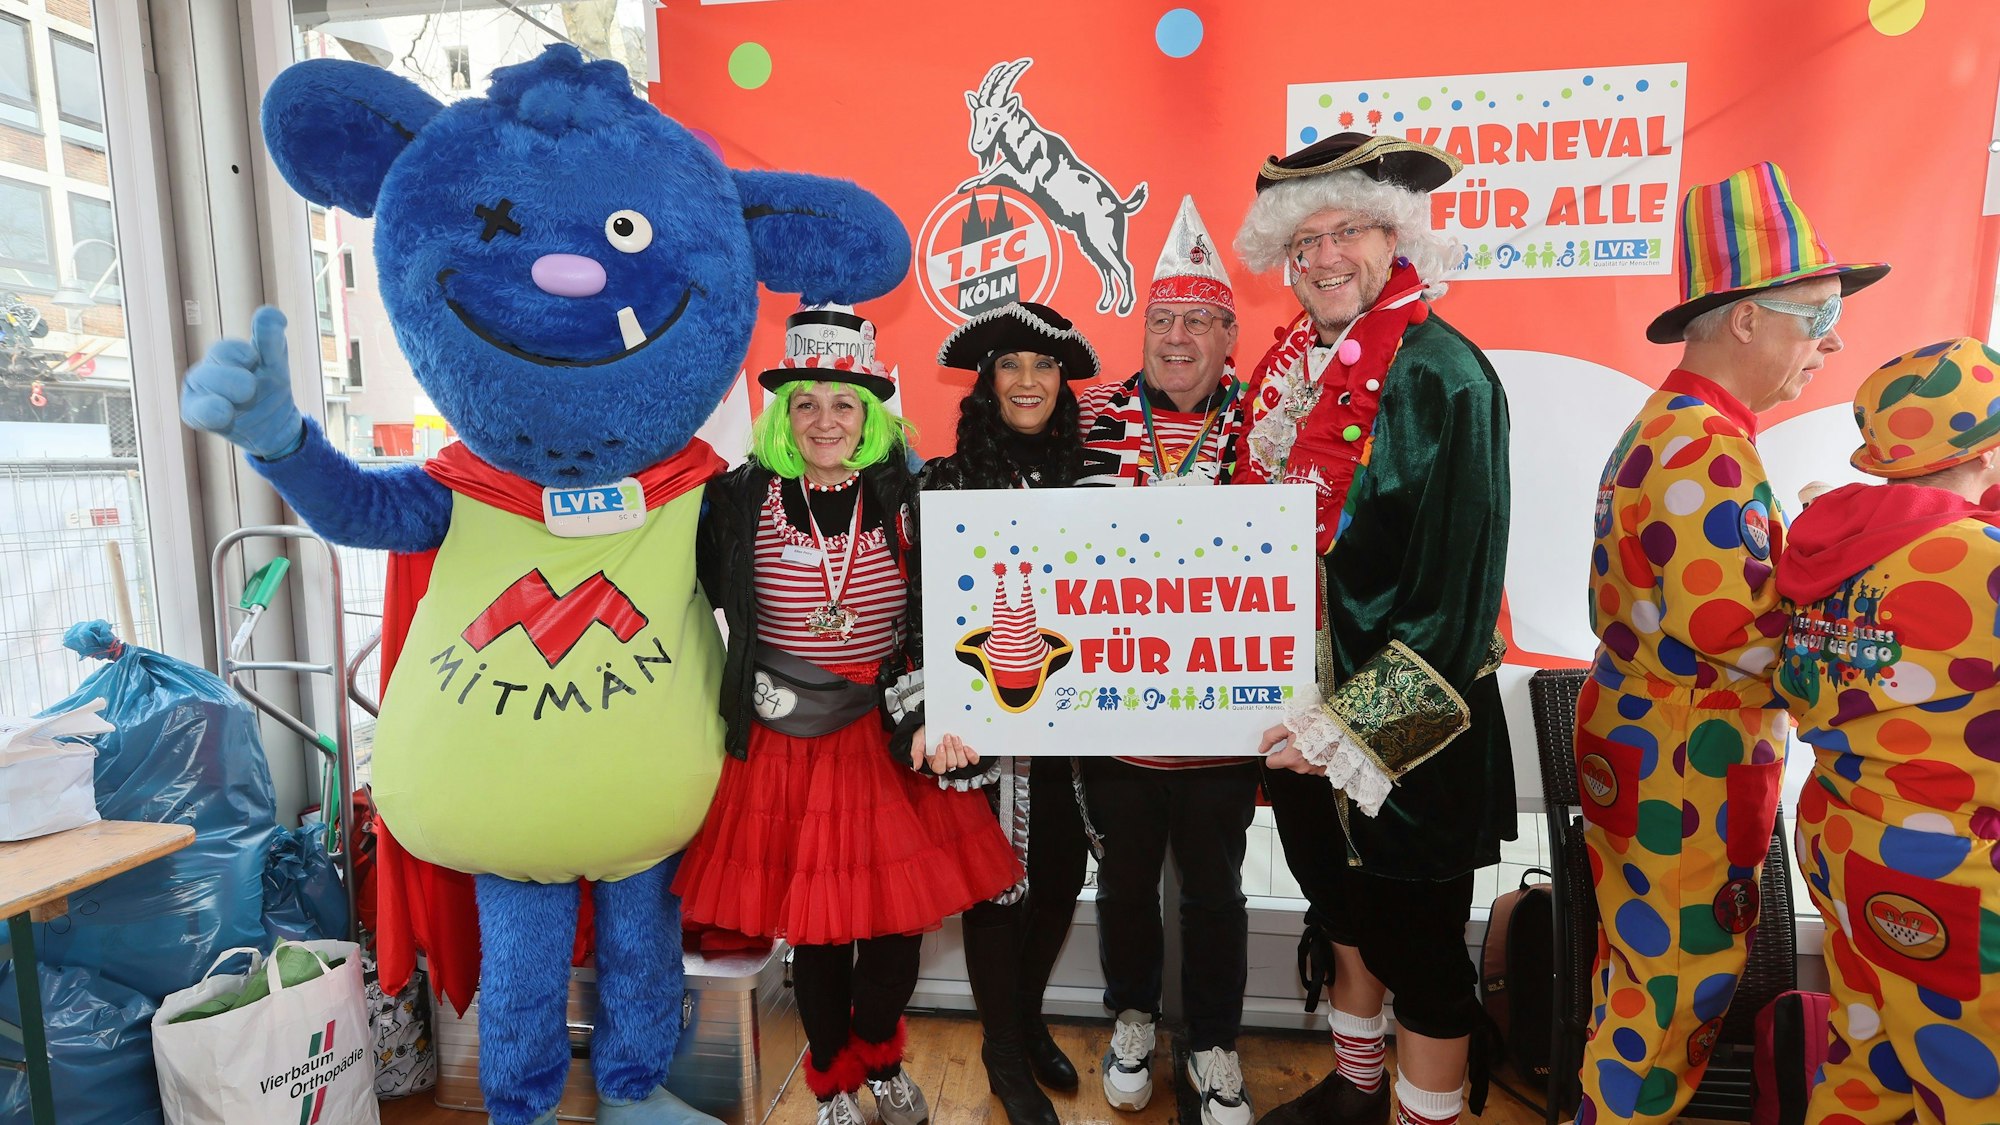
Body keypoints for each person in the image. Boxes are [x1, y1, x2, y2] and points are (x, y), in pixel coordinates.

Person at [1571, 162, 1886, 1125]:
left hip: (1658, 743)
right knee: (1667, 1005)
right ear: (1745, 318)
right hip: (1684, 761)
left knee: (1640, 991)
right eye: (1814, 315)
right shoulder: (1704, 444)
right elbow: (1737, 633)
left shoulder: (1678, 425)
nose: (1831, 341)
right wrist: (1875, 652)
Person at [672, 306, 1021, 1125]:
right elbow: (684, 590)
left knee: (897, 925)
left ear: (871, 414)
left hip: (886, 729)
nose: (826, 420)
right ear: (783, 414)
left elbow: (962, 591)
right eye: (807, 403)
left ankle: (880, 1051)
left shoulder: (909, 489)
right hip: (783, 734)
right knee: (819, 933)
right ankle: (830, 1080)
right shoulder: (736, 497)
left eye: (845, 404)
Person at [1236, 133, 1512, 1125]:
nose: (1319, 259)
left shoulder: (1445, 377)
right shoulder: (1282, 372)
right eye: (1299, 243)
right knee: (1342, 918)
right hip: (1294, 713)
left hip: (1404, 734)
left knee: (1421, 954)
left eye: (1342, 231)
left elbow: (1456, 595)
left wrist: (1348, 729)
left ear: (1390, 237)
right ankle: (1356, 1093)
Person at [883, 299, 1100, 1125]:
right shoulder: (941, 482)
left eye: (1043, 365)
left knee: (1058, 880)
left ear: (1062, 383)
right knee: (995, 891)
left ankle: (1026, 1017)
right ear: (987, 382)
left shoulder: (1094, 482)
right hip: (983, 730)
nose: (1028, 379)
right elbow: (911, 610)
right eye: (1010, 363)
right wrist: (928, 714)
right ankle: (1003, 1051)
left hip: (1072, 735)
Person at [1773, 338, 2000, 1125]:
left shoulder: (1825, 550)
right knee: (1973, 1088)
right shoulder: (1982, 559)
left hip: (1844, 838)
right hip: (1949, 869)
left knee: (1867, 1063)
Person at [1076, 195, 1260, 1125]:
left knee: (1217, 888)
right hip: (1115, 714)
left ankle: (1216, 1039)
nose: (1177, 337)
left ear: (1230, 333)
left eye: (1197, 321)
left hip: (1225, 722)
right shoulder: (1091, 418)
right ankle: (1134, 1017)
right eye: (1161, 320)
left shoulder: (1267, 424)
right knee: (1123, 884)